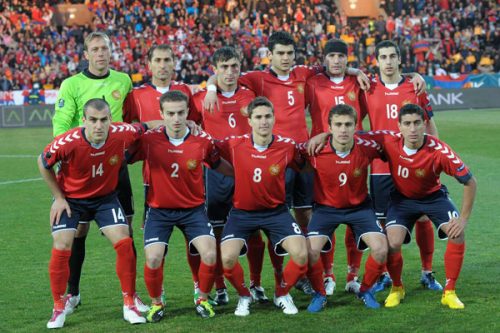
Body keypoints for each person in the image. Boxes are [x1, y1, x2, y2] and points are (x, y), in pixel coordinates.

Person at [205, 31, 370, 296]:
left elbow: (332, 64)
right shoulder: (256, 78)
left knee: (307, 216)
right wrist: (211, 88)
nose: (285, 58)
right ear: (269, 55)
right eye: (280, 53)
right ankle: (276, 278)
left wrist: (355, 69)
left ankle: (311, 275)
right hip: (273, 157)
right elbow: (224, 74)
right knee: (275, 216)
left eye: (289, 53)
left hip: (302, 154)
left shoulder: (303, 73)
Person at [51, 32, 148, 313]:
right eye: (95, 49)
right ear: (86, 54)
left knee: (125, 231)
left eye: (105, 48)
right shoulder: (72, 85)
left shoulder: (123, 80)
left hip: (114, 166)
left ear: (110, 51)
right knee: (78, 231)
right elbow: (61, 123)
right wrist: (65, 154)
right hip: (82, 168)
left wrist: (129, 149)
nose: (101, 54)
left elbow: (130, 119)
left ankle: (132, 294)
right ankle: (73, 293)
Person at [38, 99, 147, 329]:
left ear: (110, 120)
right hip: (71, 200)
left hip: (105, 199)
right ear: (84, 121)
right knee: (62, 244)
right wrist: (58, 198)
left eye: (104, 120)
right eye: (94, 120)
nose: (99, 125)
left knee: (124, 241)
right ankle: (59, 306)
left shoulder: (122, 132)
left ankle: (129, 302)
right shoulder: (68, 141)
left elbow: (146, 126)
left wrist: (185, 123)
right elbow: (43, 161)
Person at [127, 90, 233, 321]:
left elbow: (217, 163)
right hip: (159, 211)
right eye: (171, 113)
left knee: (209, 253)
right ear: (162, 114)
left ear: (187, 113)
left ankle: (202, 298)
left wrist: (240, 177)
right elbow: (124, 156)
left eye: (180, 113)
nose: (176, 119)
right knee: (154, 258)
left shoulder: (202, 140)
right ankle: (157, 303)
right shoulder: (149, 140)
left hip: (193, 210)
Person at [367, 104, 476, 309]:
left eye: (417, 123)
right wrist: (324, 136)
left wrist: (463, 219)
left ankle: (449, 291)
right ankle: (397, 288)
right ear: (399, 126)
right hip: (401, 200)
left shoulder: (439, 150)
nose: (413, 129)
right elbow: (355, 136)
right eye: (407, 123)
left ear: (424, 124)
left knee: (457, 234)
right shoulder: (389, 141)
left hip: (434, 197)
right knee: (392, 242)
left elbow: (470, 181)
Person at [122, 44, 202, 305]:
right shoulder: (137, 95)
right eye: (158, 60)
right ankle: (159, 293)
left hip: (189, 178)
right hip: (154, 179)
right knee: (157, 247)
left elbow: (195, 125)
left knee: (195, 241)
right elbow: (129, 129)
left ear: (174, 62)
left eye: (168, 60)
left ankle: (199, 286)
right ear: (149, 65)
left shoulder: (185, 91)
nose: (163, 65)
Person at [362, 40, 441, 293]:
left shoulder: (414, 86)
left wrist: (436, 155)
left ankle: (427, 272)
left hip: (415, 162)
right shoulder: (367, 87)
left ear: (399, 60)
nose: (387, 61)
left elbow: (427, 123)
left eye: (392, 56)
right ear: (376, 61)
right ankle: (385, 273)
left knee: (423, 217)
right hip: (381, 166)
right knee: (384, 222)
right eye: (382, 57)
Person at [217, 97, 308, 316]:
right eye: (258, 117)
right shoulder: (234, 144)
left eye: (268, 116)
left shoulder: (287, 146)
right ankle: (244, 295)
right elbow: (206, 149)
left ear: (274, 118)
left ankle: (282, 293)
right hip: (242, 213)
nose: (263, 122)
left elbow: (305, 163)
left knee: (301, 254)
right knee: (227, 258)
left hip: (277, 212)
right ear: (249, 121)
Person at [191, 46, 267, 304]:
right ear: (215, 70)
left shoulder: (248, 94)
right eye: (224, 67)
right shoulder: (201, 98)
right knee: (217, 231)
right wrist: (210, 89)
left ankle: (256, 283)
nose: (230, 72)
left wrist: (212, 86)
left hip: (248, 170)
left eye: (234, 66)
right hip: (215, 173)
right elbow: (188, 125)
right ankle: (221, 287)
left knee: (254, 229)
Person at [304, 104, 388, 312]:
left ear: (355, 126)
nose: (343, 129)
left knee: (380, 248)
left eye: (348, 124)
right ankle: (319, 294)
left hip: (360, 208)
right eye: (338, 125)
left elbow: (393, 141)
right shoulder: (315, 149)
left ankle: (365, 290)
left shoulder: (367, 146)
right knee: (309, 251)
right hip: (325, 209)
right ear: (330, 127)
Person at [305, 38, 368, 295]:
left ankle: (353, 275)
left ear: (347, 58)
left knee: (355, 212)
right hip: (323, 156)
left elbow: (392, 77)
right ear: (324, 59)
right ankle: (328, 274)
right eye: (331, 56)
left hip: (355, 156)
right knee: (326, 215)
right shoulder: (313, 82)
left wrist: (415, 74)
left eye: (341, 56)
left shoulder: (359, 82)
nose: (337, 60)